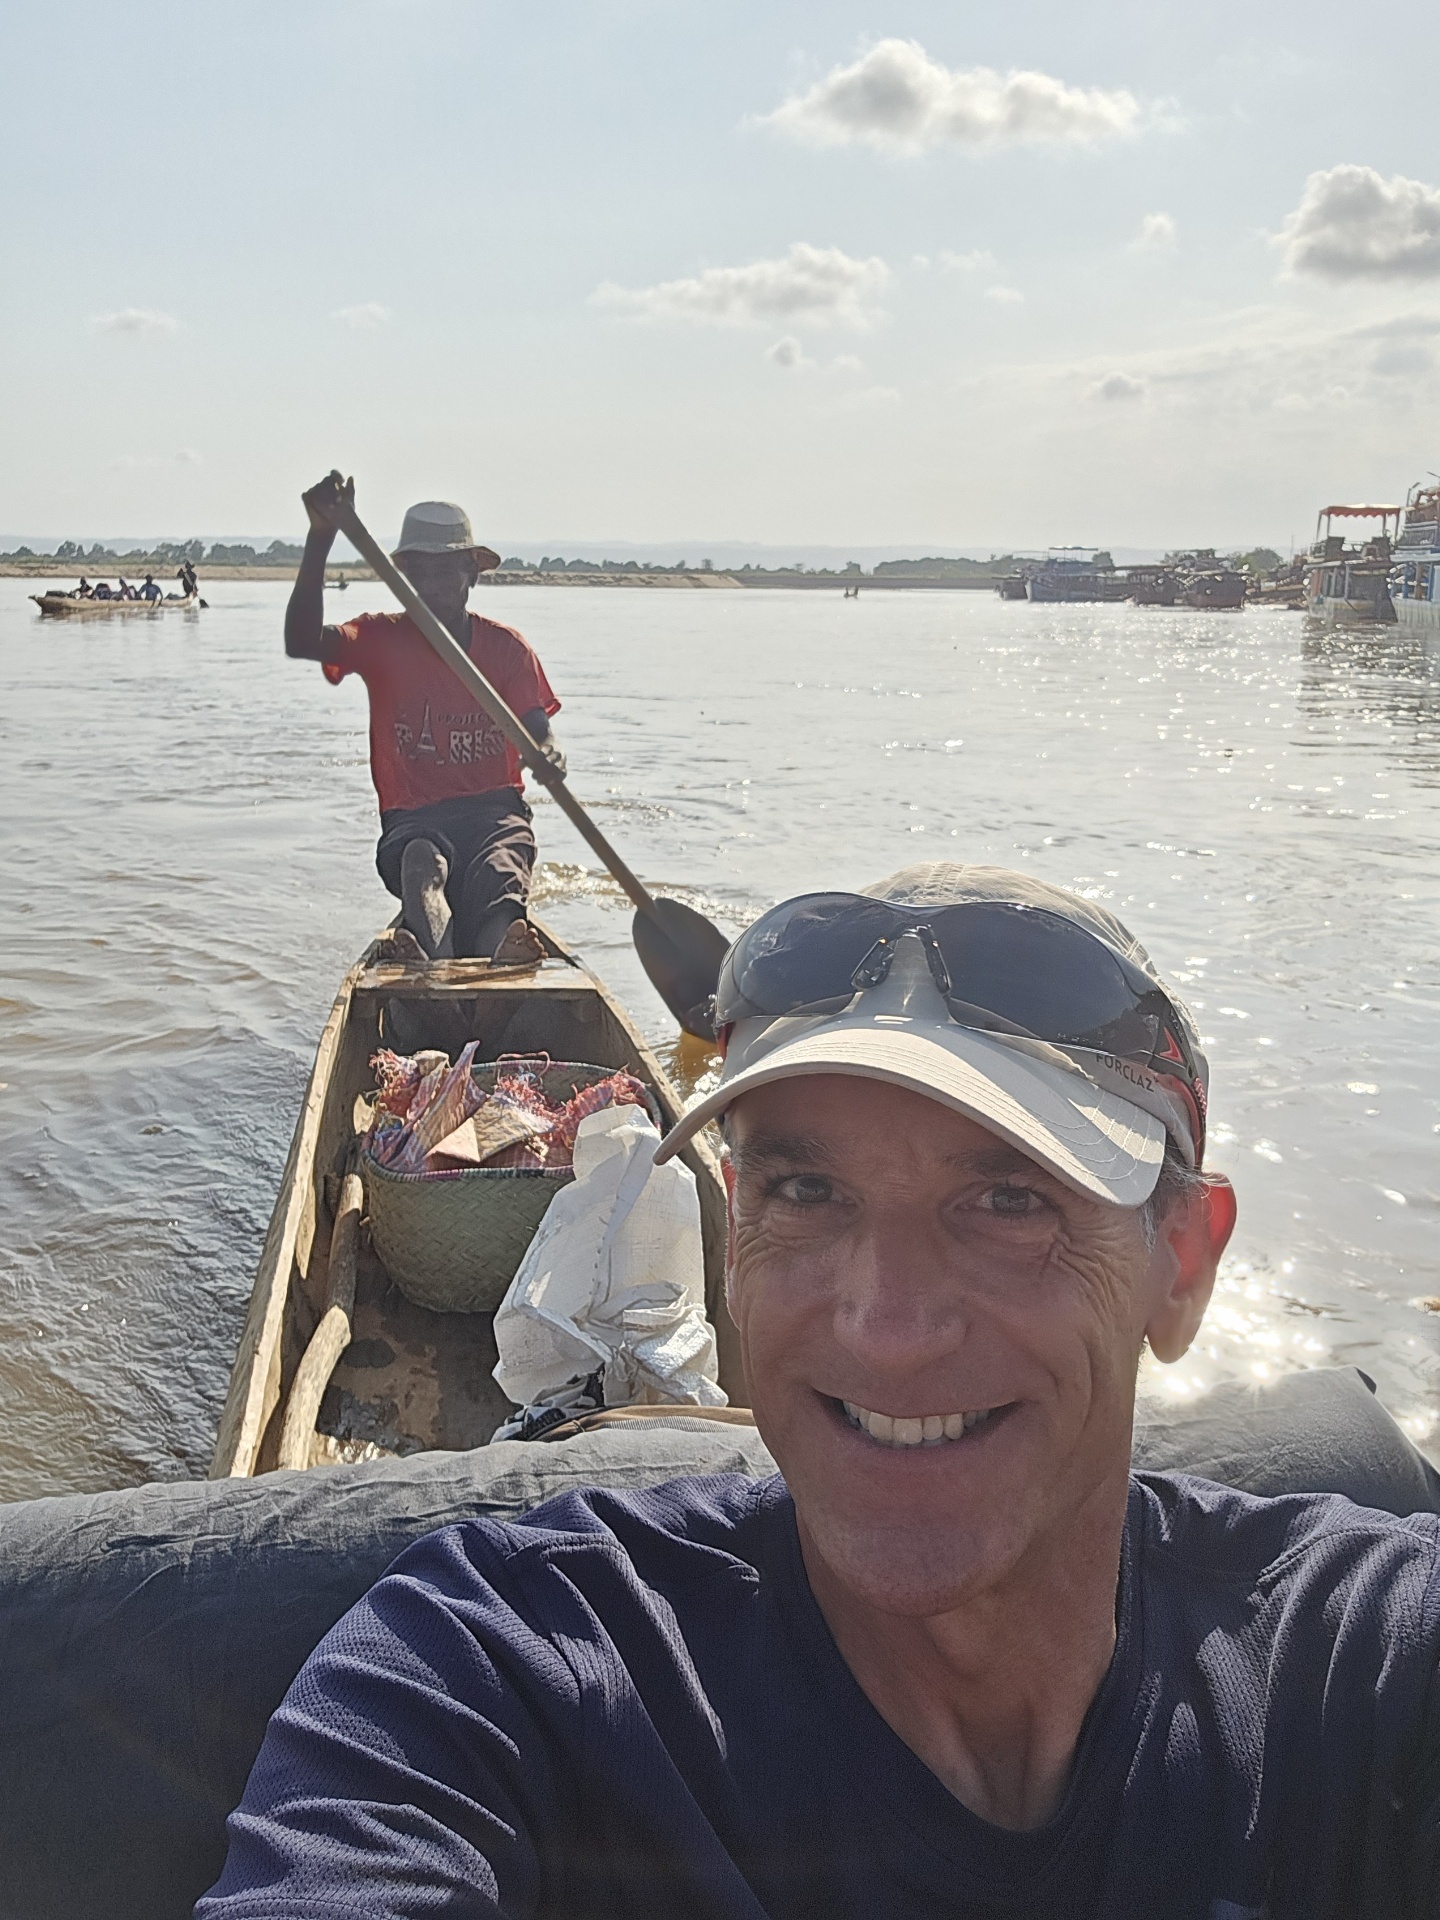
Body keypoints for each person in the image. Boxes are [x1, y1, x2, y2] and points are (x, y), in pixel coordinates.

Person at [198, 863, 1440, 1919]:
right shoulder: (492, 1670)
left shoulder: (1357, 1667)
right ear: (733, 1231)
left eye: (1010, 1201)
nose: (885, 1330)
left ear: (1184, 1264)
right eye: (804, 1192)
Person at [284, 471, 564, 965]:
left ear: (472, 575)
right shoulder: (378, 639)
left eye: (446, 572)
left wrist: (545, 750)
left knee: (498, 882)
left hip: (493, 813)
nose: (432, 587)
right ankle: (436, 971)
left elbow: (535, 726)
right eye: (420, 574)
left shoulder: (506, 649)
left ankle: (502, 954)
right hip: (415, 816)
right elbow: (301, 641)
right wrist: (320, 535)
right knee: (421, 866)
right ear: (404, 578)